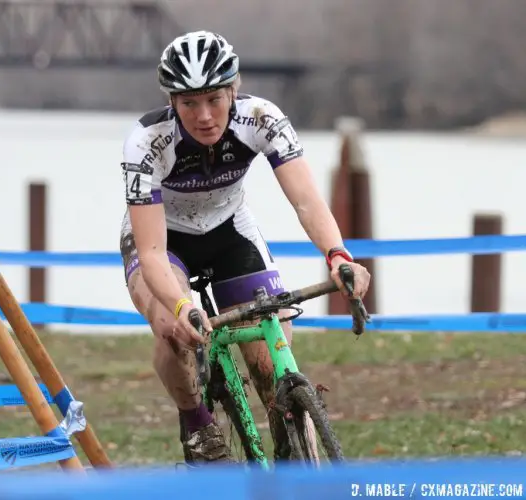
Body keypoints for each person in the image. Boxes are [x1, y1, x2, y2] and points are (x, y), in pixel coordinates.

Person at [118, 30, 371, 464]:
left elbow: (307, 200)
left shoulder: (262, 118)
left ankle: (297, 454)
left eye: (215, 99)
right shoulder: (146, 142)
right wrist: (183, 307)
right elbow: (153, 253)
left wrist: (338, 255)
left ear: (233, 90)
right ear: (171, 103)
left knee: (274, 362)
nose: (204, 115)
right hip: (165, 241)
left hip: (230, 228)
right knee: (172, 328)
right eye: (189, 103)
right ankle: (197, 423)